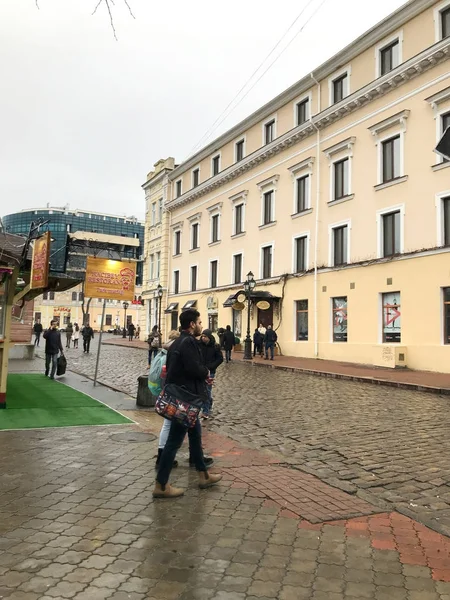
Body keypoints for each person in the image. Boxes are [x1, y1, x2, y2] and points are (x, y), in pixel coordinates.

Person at [153, 309, 222, 499]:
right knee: (174, 441)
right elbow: (194, 367)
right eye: (199, 322)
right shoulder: (188, 342)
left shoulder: (177, 342)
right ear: (191, 324)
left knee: (195, 435)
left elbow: (181, 369)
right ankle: (161, 484)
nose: (201, 325)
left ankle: (203, 475)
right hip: (184, 402)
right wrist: (206, 373)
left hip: (185, 398)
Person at [199, 329, 223, 419]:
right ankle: (209, 402)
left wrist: (212, 366)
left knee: (207, 391)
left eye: (205, 336)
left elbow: (220, 359)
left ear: (209, 337)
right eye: (202, 336)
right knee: (202, 390)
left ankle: (205, 411)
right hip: (200, 371)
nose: (203, 338)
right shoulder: (199, 345)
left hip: (210, 372)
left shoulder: (215, 346)